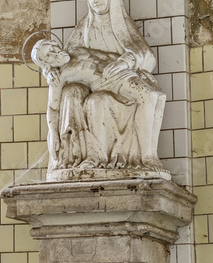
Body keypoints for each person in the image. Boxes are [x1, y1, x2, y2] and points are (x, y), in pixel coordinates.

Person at [56, 0, 160, 170]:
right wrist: (50, 68)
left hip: (121, 83)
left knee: (149, 95)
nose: (94, 0)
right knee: (86, 98)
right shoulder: (85, 26)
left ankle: (147, 157)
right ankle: (85, 157)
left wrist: (124, 61)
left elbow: (146, 56)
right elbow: (67, 58)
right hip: (95, 86)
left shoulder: (121, 24)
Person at [31, 39, 167, 174]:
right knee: (148, 96)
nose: (55, 52)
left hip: (122, 72)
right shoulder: (59, 76)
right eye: (48, 55)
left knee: (158, 95)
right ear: (46, 64)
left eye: (52, 47)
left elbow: (106, 56)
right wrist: (54, 133)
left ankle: (150, 154)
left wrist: (128, 65)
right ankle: (148, 157)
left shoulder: (76, 51)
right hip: (108, 84)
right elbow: (53, 107)